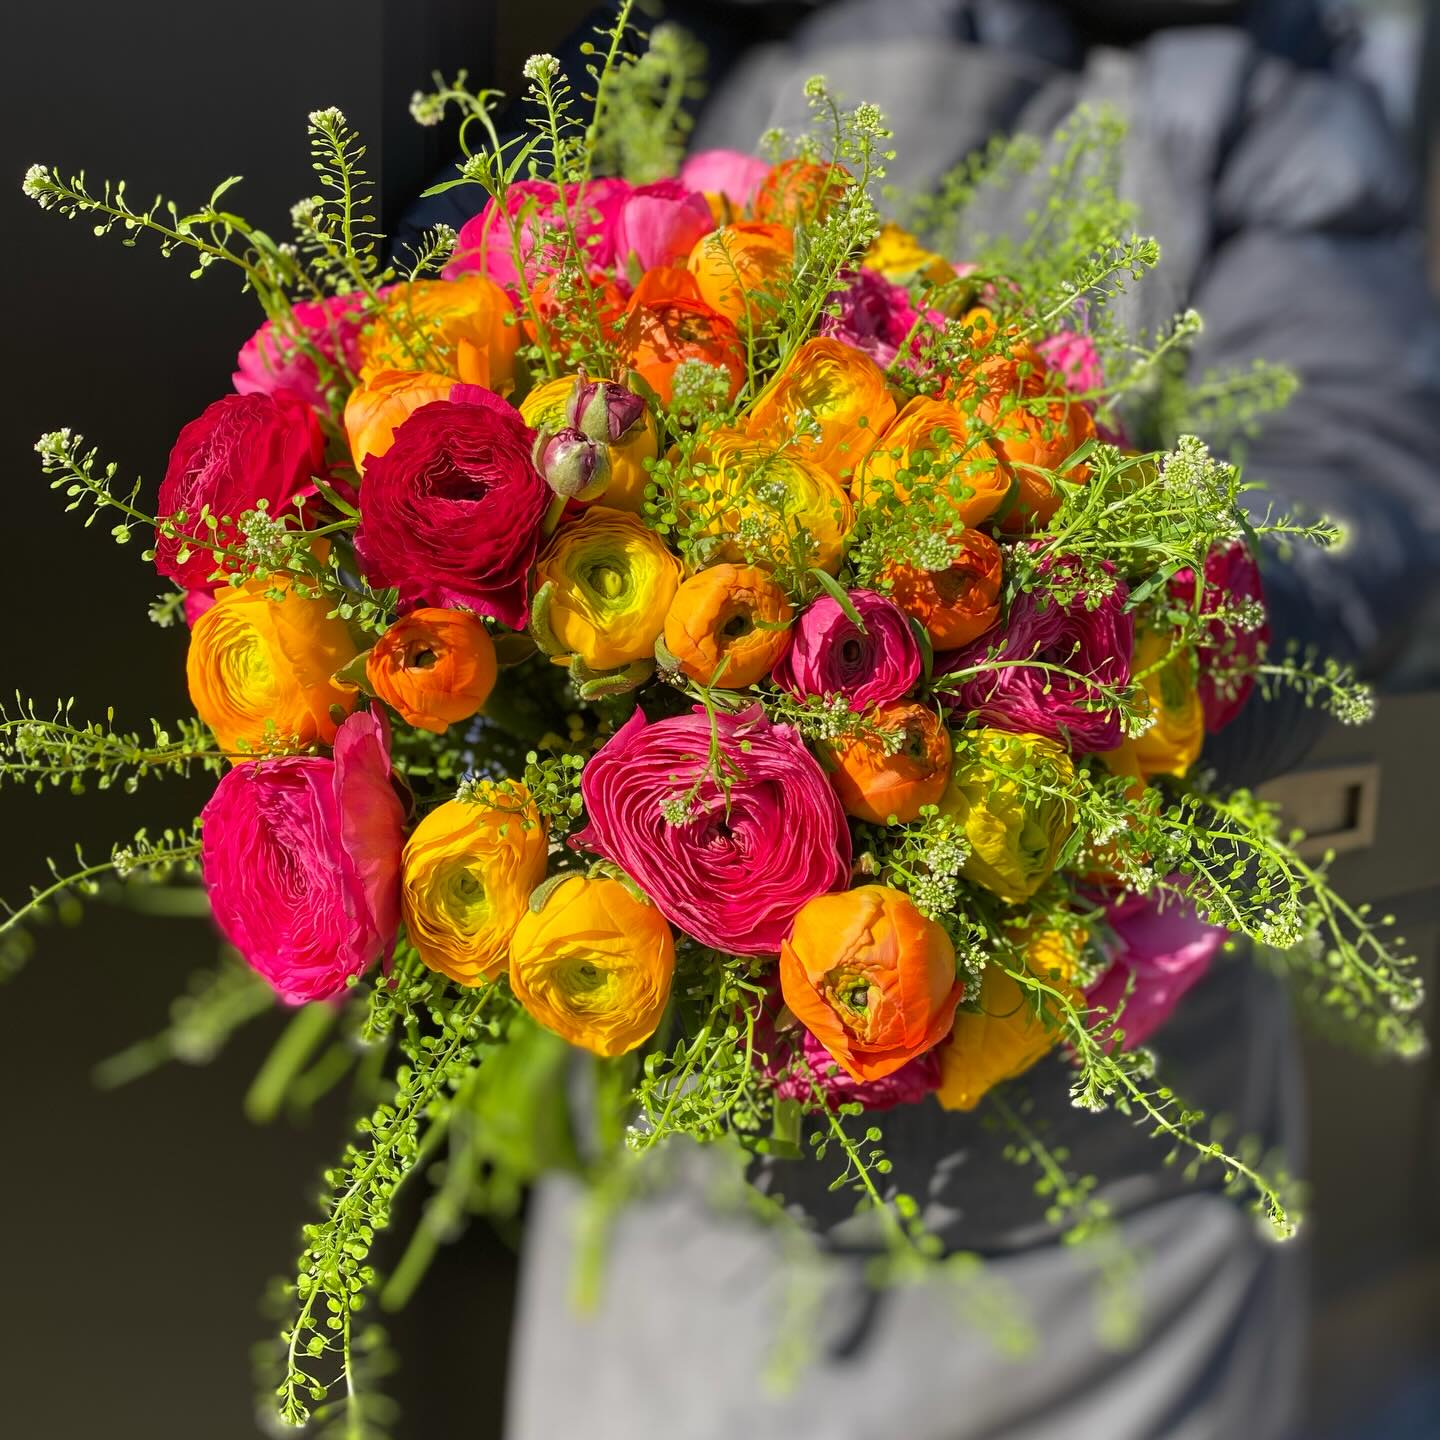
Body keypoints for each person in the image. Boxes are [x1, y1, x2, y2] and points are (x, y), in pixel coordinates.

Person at [402, 4, 1440, 1435]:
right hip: (688, 1223)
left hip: (1098, 1237)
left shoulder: (1249, 115)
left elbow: (1346, 496)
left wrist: (1079, 640)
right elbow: (446, 351)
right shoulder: (672, 67)